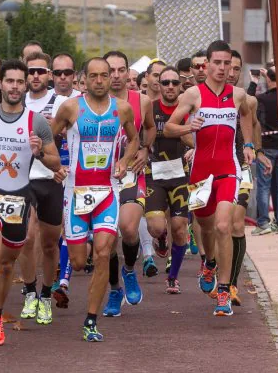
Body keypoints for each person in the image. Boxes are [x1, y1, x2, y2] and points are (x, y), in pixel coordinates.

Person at [0, 59, 61, 345]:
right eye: (11, 81)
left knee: (7, 266)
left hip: (20, 200)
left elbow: (56, 161)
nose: (16, 86)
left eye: (20, 82)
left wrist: (40, 153)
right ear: (1, 83)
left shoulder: (37, 121)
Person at [164, 40, 255, 317]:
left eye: (227, 63)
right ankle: (210, 263)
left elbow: (247, 114)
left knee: (224, 225)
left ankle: (224, 290)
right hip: (201, 172)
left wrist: (249, 145)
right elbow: (168, 128)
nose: (222, 68)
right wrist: (186, 126)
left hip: (229, 168)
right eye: (217, 62)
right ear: (207, 64)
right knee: (205, 225)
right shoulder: (193, 94)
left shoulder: (238, 95)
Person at [52, 57, 139, 341]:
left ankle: (91, 320)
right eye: (94, 76)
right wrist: (55, 166)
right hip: (75, 192)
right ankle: (76, 265)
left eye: (105, 75)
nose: (100, 80)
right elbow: (49, 137)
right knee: (79, 262)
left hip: (107, 191)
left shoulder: (122, 109)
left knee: (103, 252)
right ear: (84, 79)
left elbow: (135, 139)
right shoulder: (70, 108)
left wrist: (125, 160)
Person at [102, 51, 155, 317]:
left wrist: (146, 149)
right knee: (108, 240)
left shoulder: (142, 100)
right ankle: (114, 289)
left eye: (121, 70)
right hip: (100, 178)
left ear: (128, 73)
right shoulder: (90, 103)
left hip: (131, 174)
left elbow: (151, 127)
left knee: (129, 228)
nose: (115, 75)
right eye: (110, 70)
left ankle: (130, 270)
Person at [19, 51, 68, 325]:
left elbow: (75, 136)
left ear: (49, 75)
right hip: (22, 179)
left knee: (50, 244)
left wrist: (65, 167)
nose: (35, 75)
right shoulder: (15, 100)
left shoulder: (62, 102)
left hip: (51, 177)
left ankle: (46, 295)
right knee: (25, 238)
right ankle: (28, 291)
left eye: (41, 71)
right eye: (31, 71)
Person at [225, 50, 272, 305]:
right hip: (212, 168)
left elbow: (253, 125)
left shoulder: (247, 100)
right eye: (227, 67)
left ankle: (230, 284)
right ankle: (211, 265)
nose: (231, 73)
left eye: (236, 68)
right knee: (213, 227)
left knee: (236, 223)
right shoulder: (201, 98)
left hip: (241, 165)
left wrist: (258, 150)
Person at [144, 66, 191, 294]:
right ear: (158, 85)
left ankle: (173, 277)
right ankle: (161, 237)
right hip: (154, 174)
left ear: (180, 85)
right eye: (165, 83)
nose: (170, 86)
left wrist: (197, 148)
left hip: (181, 174)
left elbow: (198, 138)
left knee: (180, 228)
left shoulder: (187, 109)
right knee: (155, 226)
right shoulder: (150, 109)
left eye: (174, 82)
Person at [252, 67, 278, 235]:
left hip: (267, 147)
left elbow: (249, 102)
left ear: (267, 79)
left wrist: (255, 81)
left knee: (263, 186)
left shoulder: (262, 99)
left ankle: (263, 223)